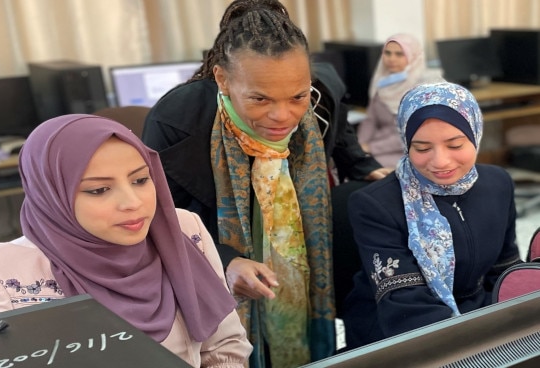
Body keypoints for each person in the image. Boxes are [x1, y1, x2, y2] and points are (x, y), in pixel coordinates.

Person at [141, 1, 391, 366]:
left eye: (297, 97)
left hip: (298, 235)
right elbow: (159, 216)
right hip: (212, 237)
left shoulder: (322, 92)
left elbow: (339, 135)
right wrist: (225, 261)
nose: (282, 116)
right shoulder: (177, 120)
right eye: (259, 99)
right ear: (223, 79)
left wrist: (365, 166)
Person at [0, 114, 252, 368]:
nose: (133, 202)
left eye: (140, 180)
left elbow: (225, 346)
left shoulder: (182, 229)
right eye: (99, 190)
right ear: (51, 195)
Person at [342, 82, 523, 349]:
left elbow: (505, 270)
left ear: (475, 134)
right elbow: (406, 306)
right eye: (423, 148)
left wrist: (518, 320)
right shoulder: (375, 205)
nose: (440, 161)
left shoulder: (498, 184)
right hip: (398, 331)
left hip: (478, 313)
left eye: (455, 144)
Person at [357, 33, 430, 169]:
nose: (391, 59)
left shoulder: (421, 90)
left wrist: (370, 147)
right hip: (379, 144)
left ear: (413, 56)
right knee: (346, 164)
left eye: (399, 54)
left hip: (409, 149)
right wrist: (359, 146)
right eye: (387, 53)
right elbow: (370, 120)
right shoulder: (381, 82)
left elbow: (411, 133)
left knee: (363, 168)